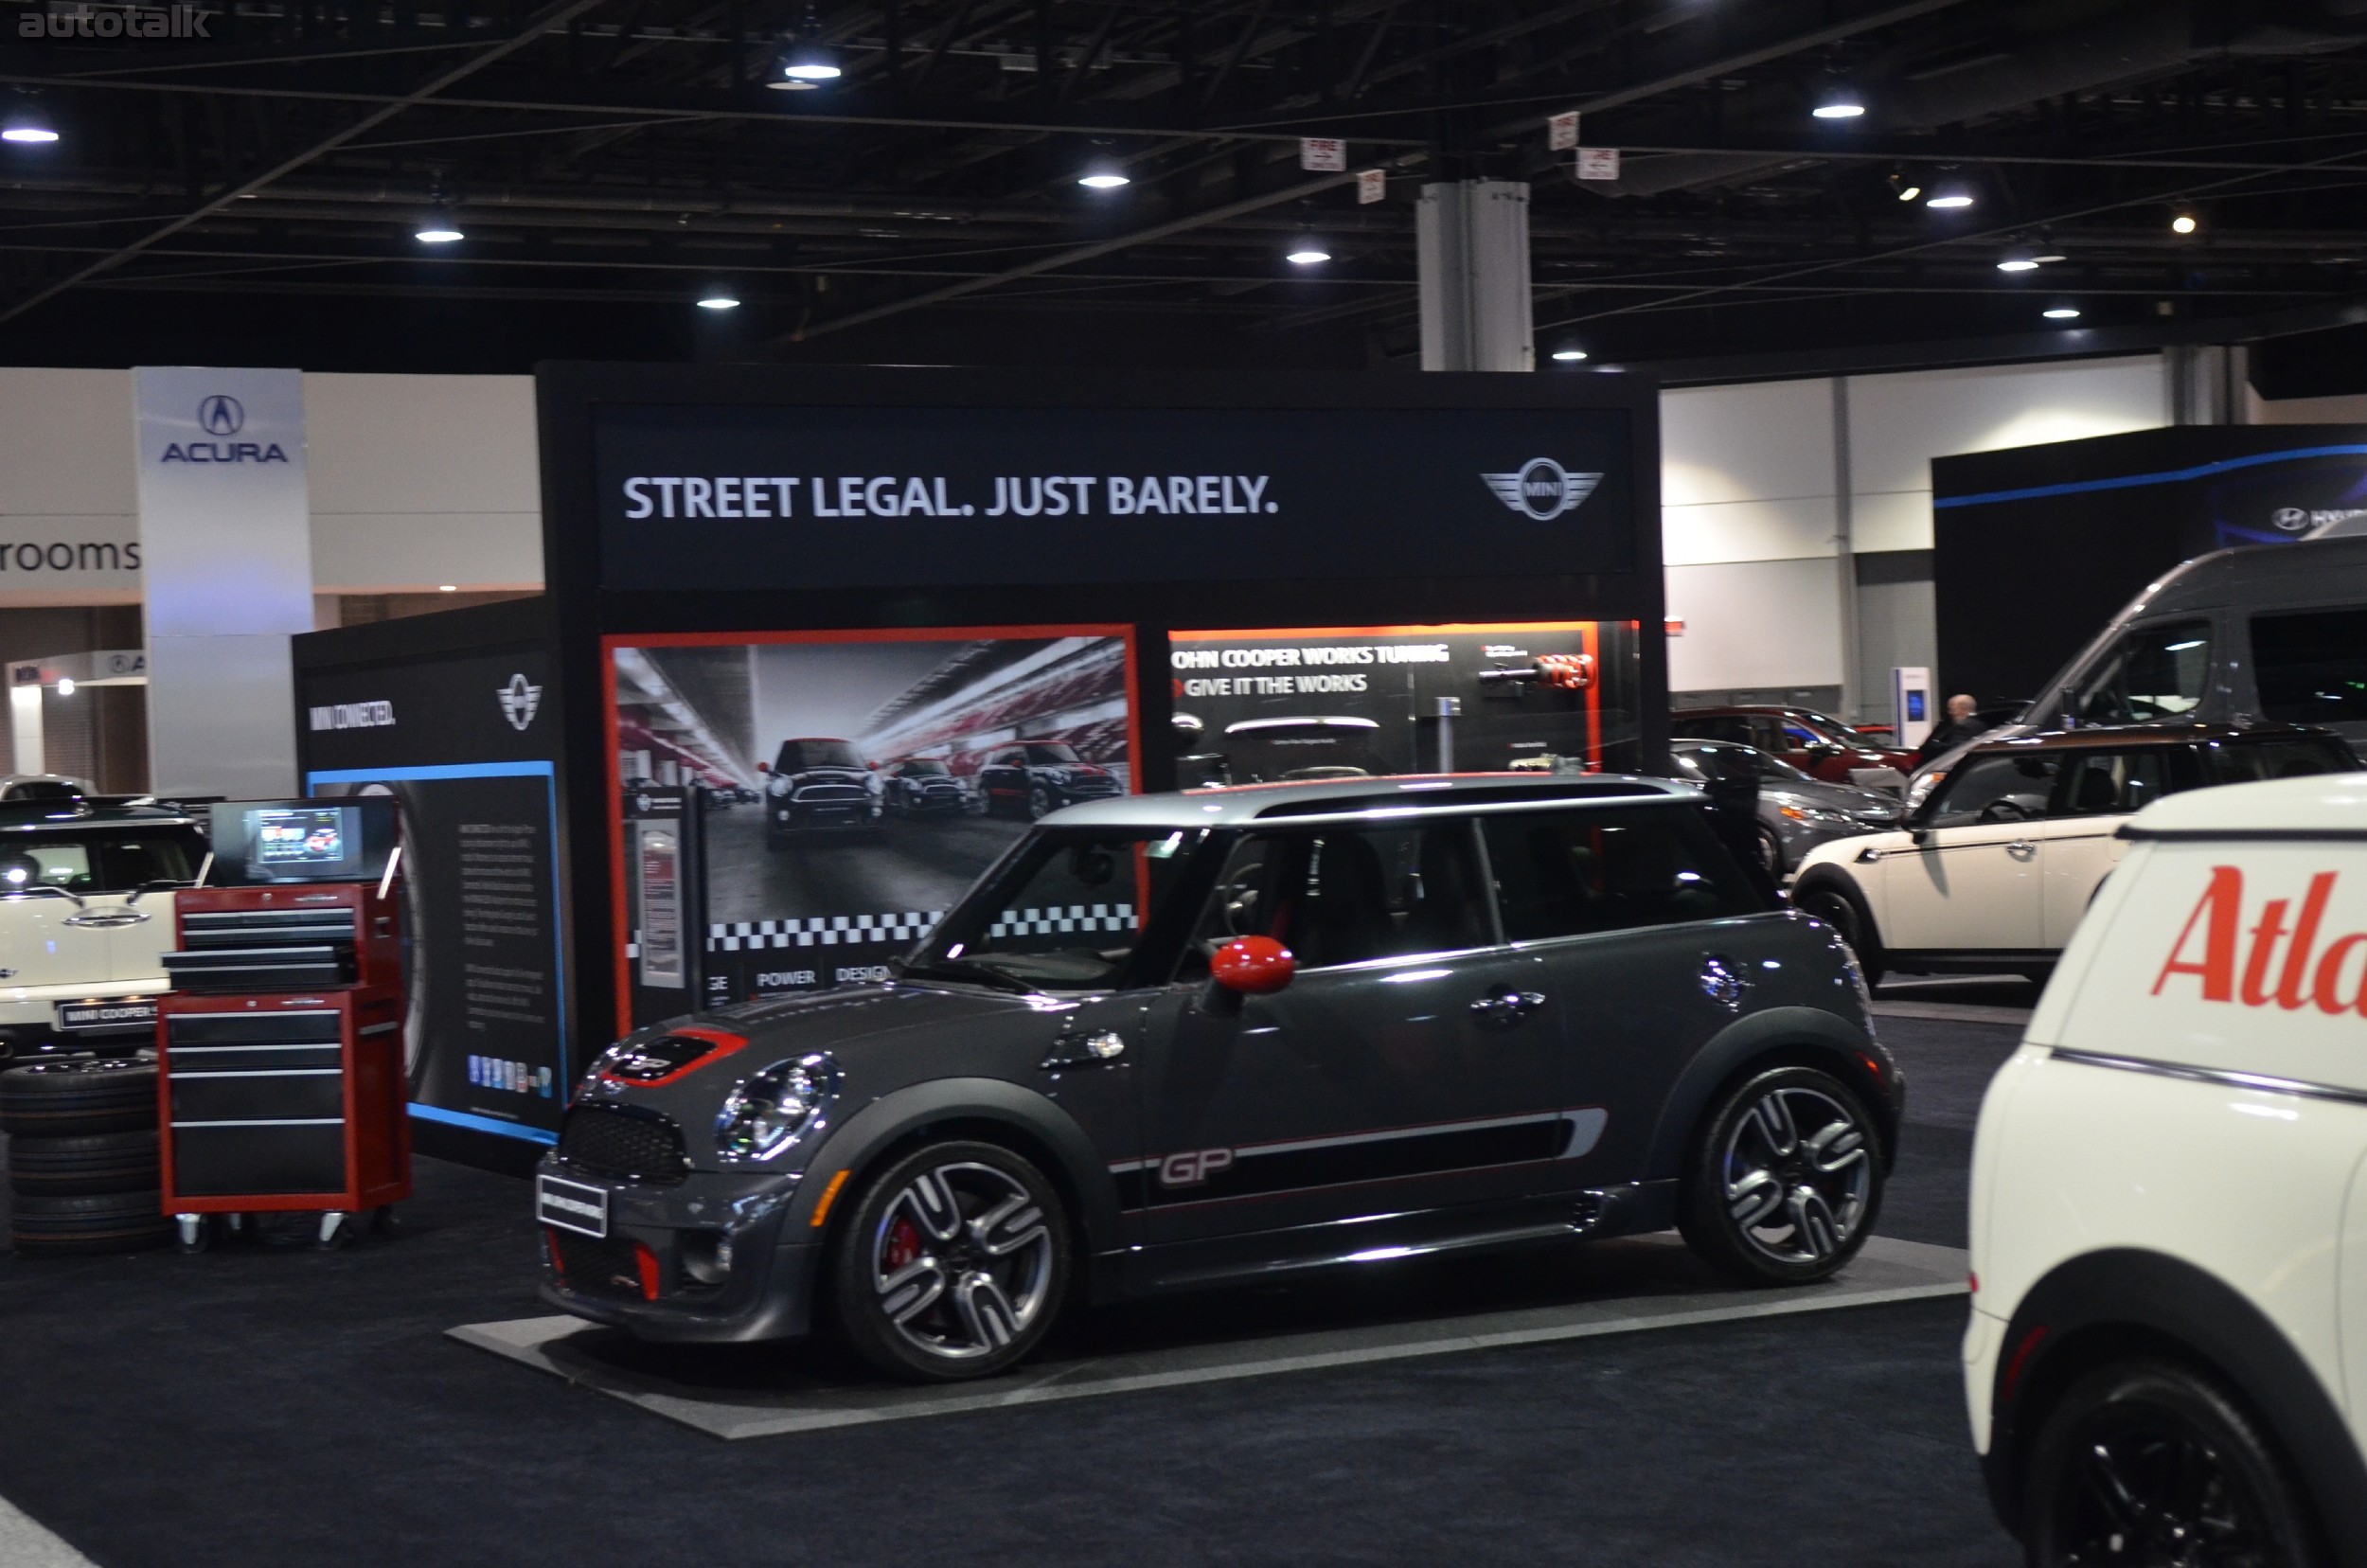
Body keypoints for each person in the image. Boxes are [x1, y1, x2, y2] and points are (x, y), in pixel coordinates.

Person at [1914, 693, 1984, 764]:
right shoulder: (1980, 724)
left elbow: (1956, 750)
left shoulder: (1963, 727)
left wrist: (1934, 745)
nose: (1950, 713)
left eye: (1952, 709)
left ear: (1963, 709)